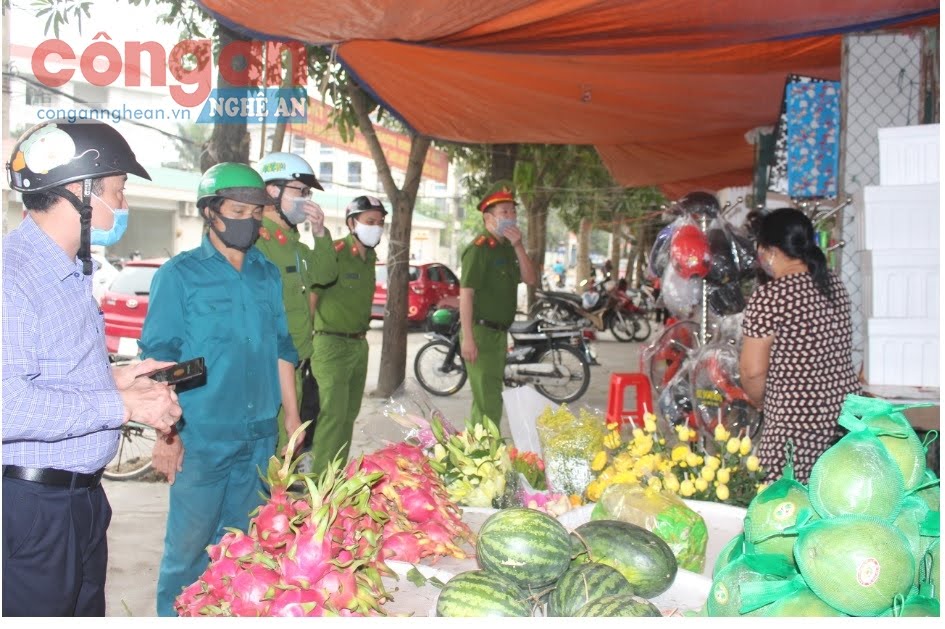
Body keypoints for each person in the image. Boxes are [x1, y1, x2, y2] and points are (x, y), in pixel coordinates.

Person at [2, 120, 182, 617]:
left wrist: (117, 377)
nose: (122, 207)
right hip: (31, 506)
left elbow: (51, 375)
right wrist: (118, 403)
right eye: (117, 193)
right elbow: (7, 404)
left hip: (80, 500)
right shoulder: (12, 278)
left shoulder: (71, 269)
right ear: (81, 191)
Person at [138, 162, 301, 616]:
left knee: (246, 551)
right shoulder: (179, 275)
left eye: (256, 212)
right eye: (237, 210)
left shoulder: (267, 274)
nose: (249, 220)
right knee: (188, 554)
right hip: (201, 437)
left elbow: (283, 350)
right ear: (211, 212)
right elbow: (160, 363)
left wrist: (291, 419)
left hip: (259, 438)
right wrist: (166, 436)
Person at [739, 208, 860, 483]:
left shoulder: (770, 297)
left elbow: (753, 372)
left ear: (769, 250)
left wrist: (760, 401)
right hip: (844, 421)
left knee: (785, 510)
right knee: (833, 501)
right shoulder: (834, 286)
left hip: (794, 429)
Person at [254, 152, 338, 455]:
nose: (306, 200)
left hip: (294, 371)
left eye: (308, 193)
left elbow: (326, 275)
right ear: (272, 191)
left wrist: (320, 234)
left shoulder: (294, 246)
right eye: (299, 192)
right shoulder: (258, 243)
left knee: (283, 463)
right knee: (271, 465)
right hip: (270, 374)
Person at [307, 195, 385, 476]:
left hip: (359, 344)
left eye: (380, 223)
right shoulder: (336, 251)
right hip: (330, 343)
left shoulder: (371, 257)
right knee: (333, 415)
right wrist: (304, 343)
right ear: (352, 223)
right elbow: (312, 296)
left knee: (348, 415)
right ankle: (319, 483)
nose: (376, 227)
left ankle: (335, 476)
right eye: (370, 221)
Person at [459, 183, 538, 427]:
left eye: (513, 212)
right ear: (488, 218)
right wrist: (468, 338)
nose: (511, 217)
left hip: (499, 334)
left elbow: (530, 278)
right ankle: (483, 454)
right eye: (505, 212)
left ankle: (479, 451)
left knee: (490, 396)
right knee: (487, 400)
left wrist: (518, 245)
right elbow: (466, 295)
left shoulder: (507, 249)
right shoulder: (478, 250)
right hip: (480, 333)